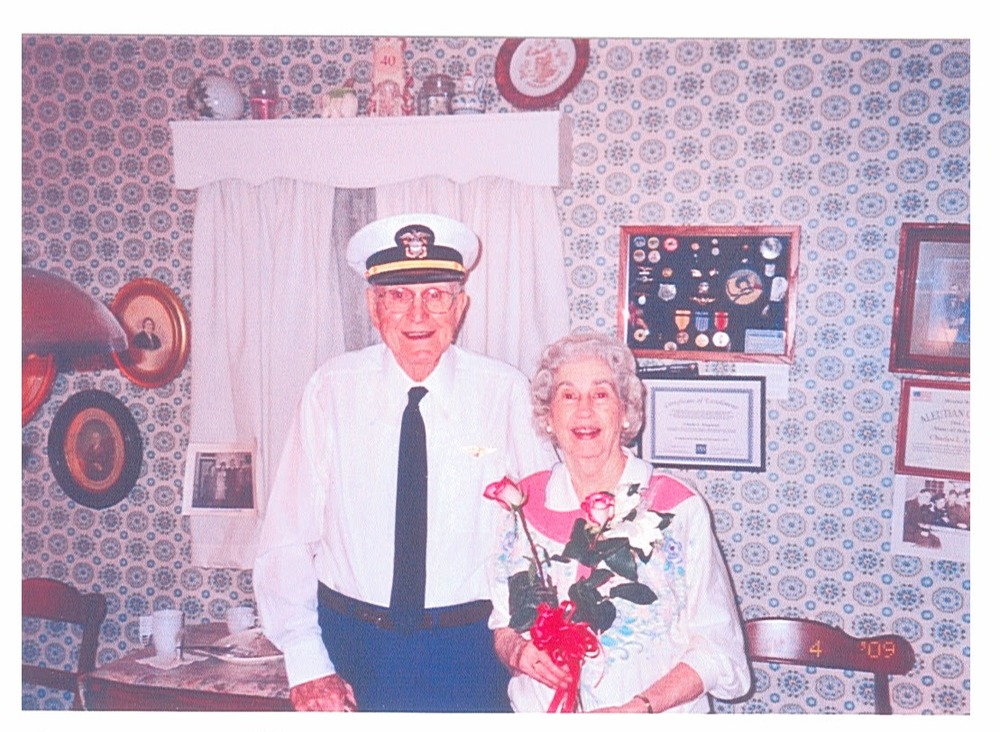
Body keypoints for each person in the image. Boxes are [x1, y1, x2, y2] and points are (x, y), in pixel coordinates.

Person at [253, 213, 554, 712]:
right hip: (351, 648)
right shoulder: (331, 390)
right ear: (373, 308)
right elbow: (287, 536)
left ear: (460, 306)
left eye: (435, 295)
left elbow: (541, 533)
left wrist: (527, 632)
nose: (418, 314)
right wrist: (307, 662)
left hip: (469, 653)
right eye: (398, 295)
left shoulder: (504, 393)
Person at [487, 333, 751, 712]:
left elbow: (717, 648)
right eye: (568, 395)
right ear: (548, 417)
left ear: (625, 411)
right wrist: (516, 651)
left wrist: (639, 709)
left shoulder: (677, 509)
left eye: (601, 394)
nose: (584, 411)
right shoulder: (521, 506)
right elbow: (503, 624)